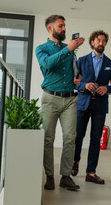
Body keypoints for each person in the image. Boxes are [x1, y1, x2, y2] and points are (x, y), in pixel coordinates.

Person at [35, 15, 84, 191]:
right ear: (50, 28)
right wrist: (68, 49)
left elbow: (72, 68)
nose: (64, 28)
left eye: (65, 25)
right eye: (60, 26)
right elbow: (47, 64)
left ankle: (65, 176)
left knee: (70, 138)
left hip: (70, 98)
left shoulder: (69, 48)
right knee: (48, 139)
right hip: (50, 99)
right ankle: (49, 176)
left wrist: (77, 76)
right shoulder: (41, 49)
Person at [71, 30, 111, 184]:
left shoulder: (110, 64)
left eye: (104, 41)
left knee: (95, 139)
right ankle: (75, 162)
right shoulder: (82, 61)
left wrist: (107, 88)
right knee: (78, 135)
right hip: (83, 103)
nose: (101, 43)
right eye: (99, 40)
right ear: (92, 42)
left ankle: (91, 172)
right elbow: (74, 83)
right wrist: (85, 85)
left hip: (100, 105)